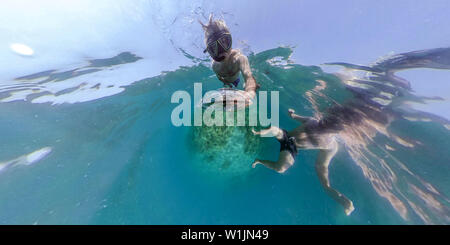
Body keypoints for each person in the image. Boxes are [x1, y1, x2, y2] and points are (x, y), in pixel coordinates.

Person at [251, 108, 355, 216]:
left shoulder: (331, 145)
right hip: (286, 136)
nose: (327, 122)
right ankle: (256, 132)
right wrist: (292, 113)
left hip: (291, 148)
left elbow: (322, 165)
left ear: (336, 130)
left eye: (332, 123)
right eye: (329, 120)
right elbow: (294, 116)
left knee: (281, 169)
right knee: (274, 130)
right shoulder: (312, 121)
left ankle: (259, 160)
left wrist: (324, 179)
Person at [199, 15, 260, 102]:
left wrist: (250, 92)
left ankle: (250, 86)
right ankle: (229, 85)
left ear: (230, 42)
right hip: (226, 82)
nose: (221, 51)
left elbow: (248, 76)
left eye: (224, 42)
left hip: (236, 79)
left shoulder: (239, 59)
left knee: (247, 85)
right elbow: (219, 77)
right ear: (209, 52)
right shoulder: (214, 66)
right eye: (214, 48)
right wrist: (226, 83)